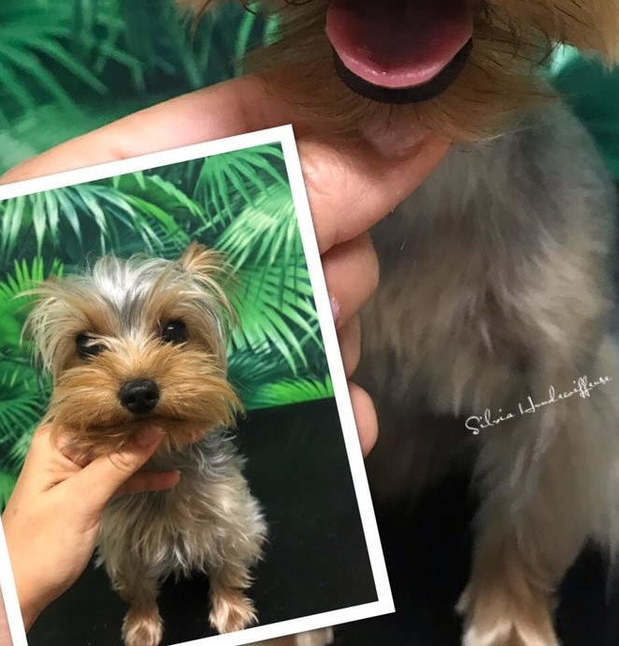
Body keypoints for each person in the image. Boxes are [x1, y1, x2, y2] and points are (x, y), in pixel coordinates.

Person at [0, 75, 447, 640]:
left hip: (207, 472)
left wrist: (230, 588)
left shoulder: (218, 479)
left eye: (172, 330)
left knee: (234, 537)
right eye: (90, 347)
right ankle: (143, 609)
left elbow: (242, 532)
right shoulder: (72, 515)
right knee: (129, 563)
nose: (135, 375)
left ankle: (228, 594)